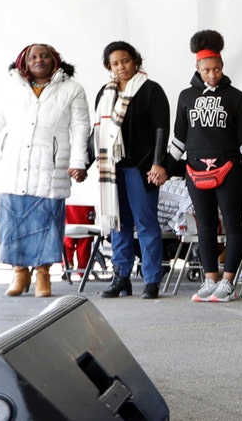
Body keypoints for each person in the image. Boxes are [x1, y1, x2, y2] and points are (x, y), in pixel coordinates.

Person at [0, 44, 90, 297]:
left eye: (44, 56)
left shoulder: (72, 89)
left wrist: (78, 161)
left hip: (50, 167)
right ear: (24, 61)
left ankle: (43, 274)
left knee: (47, 221)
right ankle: (20, 273)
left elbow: (80, 127)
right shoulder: (11, 86)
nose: (39, 60)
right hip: (14, 165)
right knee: (12, 223)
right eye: (33, 57)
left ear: (55, 61)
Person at [168, 30, 242, 303]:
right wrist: (162, 167)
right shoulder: (185, 97)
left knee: (232, 225)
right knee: (205, 226)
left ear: (222, 66)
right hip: (195, 172)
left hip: (229, 170)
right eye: (207, 69)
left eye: (217, 69)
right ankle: (210, 279)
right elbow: (178, 139)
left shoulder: (237, 97)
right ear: (197, 67)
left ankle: (228, 281)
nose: (212, 74)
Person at [94, 41, 171, 300]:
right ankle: (121, 277)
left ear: (135, 61)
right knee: (119, 223)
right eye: (115, 63)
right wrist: (83, 164)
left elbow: (162, 129)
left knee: (147, 223)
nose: (121, 67)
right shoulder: (105, 94)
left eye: (125, 61)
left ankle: (151, 281)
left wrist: (158, 162)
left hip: (141, 168)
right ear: (109, 67)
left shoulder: (151, 90)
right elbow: (98, 133)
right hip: (112, 170)